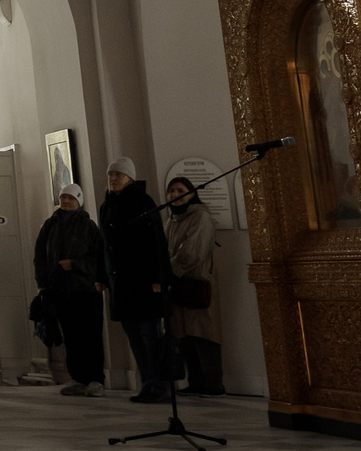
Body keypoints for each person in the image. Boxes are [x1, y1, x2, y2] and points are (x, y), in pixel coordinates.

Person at [100, 159, 175, 403]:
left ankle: (160, 386)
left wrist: (157, 278)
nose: (113, 179)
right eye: (111, 174)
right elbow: (105, 246)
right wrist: (103, 277)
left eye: (118, 175)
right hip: (121, 283)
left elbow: (155, 244)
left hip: (143, 282)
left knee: (150, 336)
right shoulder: (107, 205)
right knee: (134, 336)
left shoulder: (143, 202)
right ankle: (147, 383)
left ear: (130, 178)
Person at [32, 183, 108, 395]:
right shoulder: (50, 225)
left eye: (71, 199)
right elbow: (40, 256)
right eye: (63, 197)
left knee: (90, 336)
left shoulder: (89, 226)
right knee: (71, 337)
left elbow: (98, 258)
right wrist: (43, 284)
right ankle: (78, 378)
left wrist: (74, 265)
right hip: (60, 290)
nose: (66, 201)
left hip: (85, 290)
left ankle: (95, 379)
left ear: (79, 202)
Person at [165, 174, 225, 396]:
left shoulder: (200, 217)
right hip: (177, 284)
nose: (175, 195)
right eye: (172, 191)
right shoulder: (171, 219)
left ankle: (214, 383)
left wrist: (169, 270)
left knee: (203, 334)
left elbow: (192, 253)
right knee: (184, 334)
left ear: (192, 193)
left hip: (196, 282)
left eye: (181, 191)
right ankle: (196, 381)